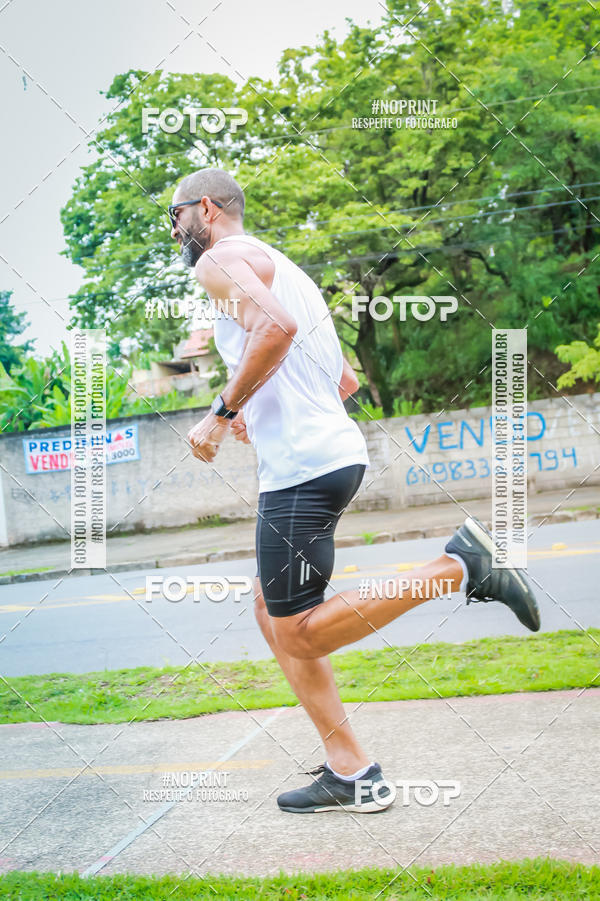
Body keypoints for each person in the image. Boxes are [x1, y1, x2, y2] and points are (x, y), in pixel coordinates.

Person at [168, 167, 541, 815]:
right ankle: (352, 770)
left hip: (304, 468)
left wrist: (222, 412)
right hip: (329, 454)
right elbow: (340, 379)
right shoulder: (285, 267)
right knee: (269, 609)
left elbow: (275, 331)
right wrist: (264, 407)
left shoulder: (221, 259)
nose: (174, 230)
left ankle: (459, 565)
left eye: (176, 216)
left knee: (302, 633)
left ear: (206, 208)